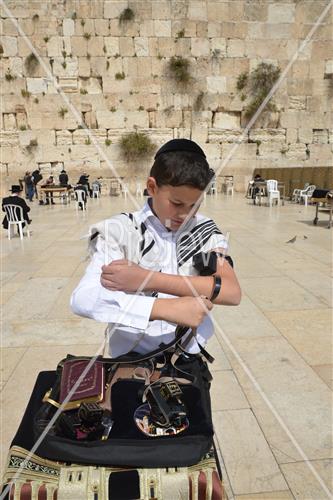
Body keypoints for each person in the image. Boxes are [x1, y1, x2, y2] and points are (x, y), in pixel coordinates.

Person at [71, 139, 241, 358]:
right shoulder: (119, 230)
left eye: (195, 205)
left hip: (188, 360)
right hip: (131, 362)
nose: (186, 214)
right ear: (152, 187)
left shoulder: (204, 229)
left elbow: (231, 292)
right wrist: (163, 308)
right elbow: (84, 298)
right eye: (177, 203)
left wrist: (146, 279)